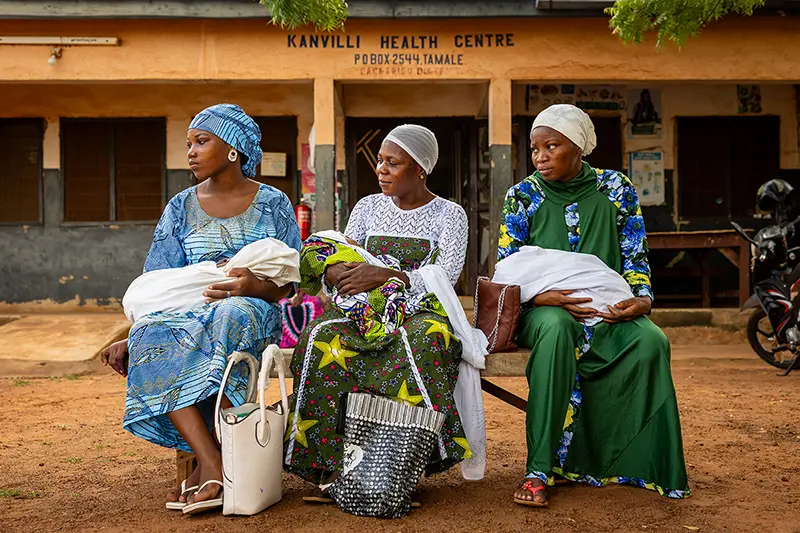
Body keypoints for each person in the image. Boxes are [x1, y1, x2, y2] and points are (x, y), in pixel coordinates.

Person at [100, 104, 302, 514]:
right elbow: (158, 284)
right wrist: (128, 335)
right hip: (185, 309)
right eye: (188, 143)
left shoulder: (273, 203)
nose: (190, 151)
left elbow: (289, 281)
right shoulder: (179, 207)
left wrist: (252, 286)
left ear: (232, 149)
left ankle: (219, 455)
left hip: (250, 307)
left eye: (201, 141)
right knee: (150, 333)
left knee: (230, 315)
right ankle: (212, 457)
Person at [498, 104, 689, 507]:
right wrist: (540, 296)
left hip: (607, 306)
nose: (541, 157)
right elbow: (506, 268)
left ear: (579, 147)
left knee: (651, 342)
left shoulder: (616, 189)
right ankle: (539, 469)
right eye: (535, 148)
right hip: (543, 308)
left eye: (552, 146)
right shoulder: (522, 196)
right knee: (555, 330)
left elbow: (634, 254)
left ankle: (643, 463)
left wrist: (641, 300)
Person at [284, 124, 475, 492]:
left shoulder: (450, 215)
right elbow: (346, 253)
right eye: (380, 161)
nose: (381, 170)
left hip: (421, 310)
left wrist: (386, 275)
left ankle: (401, 465)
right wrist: (335, 270)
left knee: (422, 342)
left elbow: (446, 276)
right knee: (320, 337)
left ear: (420, 168)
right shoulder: (367, 207)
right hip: (363, 307)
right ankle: (329, 463)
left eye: (393, 163)